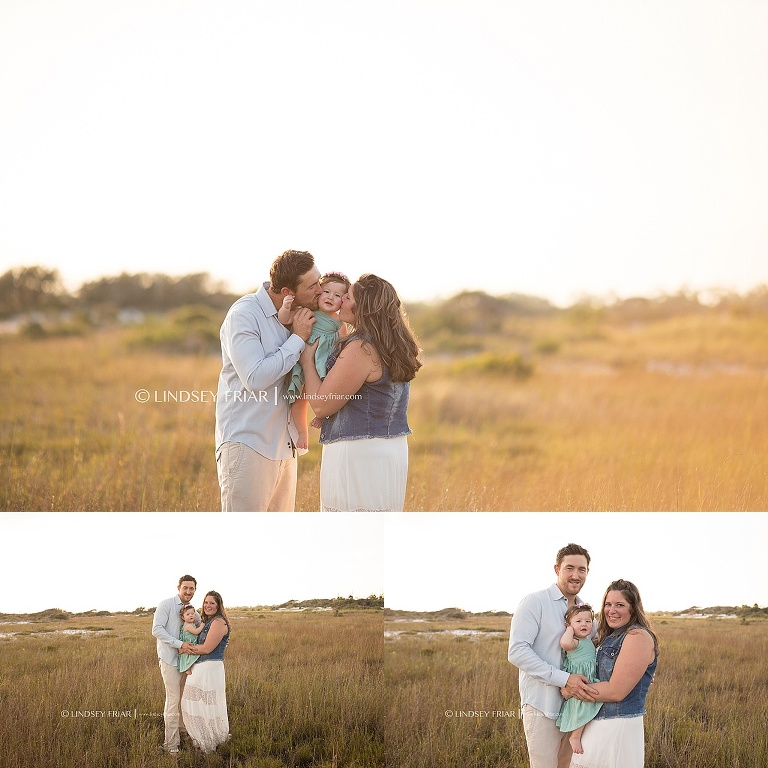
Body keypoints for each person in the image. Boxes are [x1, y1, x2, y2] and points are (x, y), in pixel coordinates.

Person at [299, 273, 421, 511]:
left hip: (358, 453)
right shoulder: (395, 344)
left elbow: (323, 405)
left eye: (348, 296)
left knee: (349, 534)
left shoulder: (361, 348)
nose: (342, 300)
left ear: (363, 307)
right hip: (391, 451)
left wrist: (306, 362)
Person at [215, 249, 321, 511]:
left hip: (285, 448)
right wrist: (297, 338)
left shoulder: (299, 315)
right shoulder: (244, 314)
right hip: (248, 445)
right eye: (313, 286)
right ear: (288, 292)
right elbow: (255, 377)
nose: (320, 290)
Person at [508, 544, 599, 768]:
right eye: (570, 568)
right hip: (542, 704)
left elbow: (596, 650)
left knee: (568, 764)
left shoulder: (587, 613)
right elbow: (517, 651)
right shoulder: (534, 602)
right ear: (557, 569)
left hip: (577, 707)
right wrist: (564, 679)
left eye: (582, 569)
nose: (576, 575)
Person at [561, 580, 659, 768]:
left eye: (619, 605)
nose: (611, 610)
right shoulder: (608, 636)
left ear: (633, 607)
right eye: (608, 604)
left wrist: (570, 689)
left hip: (617, 724)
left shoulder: (638, 636)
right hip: (594, 721)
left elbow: (615, 691)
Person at [281, 271, 350, 452]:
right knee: (300, 400)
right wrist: (286, 307)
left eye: (337, 295)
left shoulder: (340, 323)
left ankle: (321, 416)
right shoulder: (307, 312)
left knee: (326, 394)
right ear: (319, 292)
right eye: (326, 292)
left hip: (325, 364)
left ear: (343, 301)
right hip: (304, 361)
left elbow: (343, 347)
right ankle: (302, 433)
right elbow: (284, 319)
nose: (330, 297)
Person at [151, 575, 200, 754]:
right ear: (178, 587)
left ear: (195, 590)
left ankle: (183, 732)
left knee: (184, 700)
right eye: (185, 588)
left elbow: (201, 628)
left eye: (192, 589)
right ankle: (171, 746)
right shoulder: (166, 604)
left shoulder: (193, 611)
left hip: (188, 663)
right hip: (170, 660)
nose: (188, 591)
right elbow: (156, 630)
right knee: (173, 700)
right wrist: (179, 644)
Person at [181, 590, 231, 753]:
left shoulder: (218, 622)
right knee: (197, 703)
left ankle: (208, 741)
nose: (208, 605)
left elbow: (208, 648)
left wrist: (185, 649)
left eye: (212, 603)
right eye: (206, 602)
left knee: (204, 704)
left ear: (218, 605)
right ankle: (203, 738)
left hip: (209, 668)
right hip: (201, 667)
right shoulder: (207, 621)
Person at [556, 604, 603, 754]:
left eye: (588, 621)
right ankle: (575, 736)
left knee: (586, 705)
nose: (584, 624)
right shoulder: (574, 641)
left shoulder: (588, 640)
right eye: (578, 621)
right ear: (569, 625)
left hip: (589, 677)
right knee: (582, 705)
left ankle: (578, 735)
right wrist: (570, 629)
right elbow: (564, 643)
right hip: (579, 680)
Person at [178, 605, 205, 674]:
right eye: (188, 614)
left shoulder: (191, 624)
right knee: (188, 656)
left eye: (193, 614)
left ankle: (190, 668)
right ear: (183, 617)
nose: (191, 615)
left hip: (192, 643)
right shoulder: (188, 626)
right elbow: (196, 632)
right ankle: (188, 669)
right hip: (189, 644)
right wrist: (202, 625)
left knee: (191, 656)